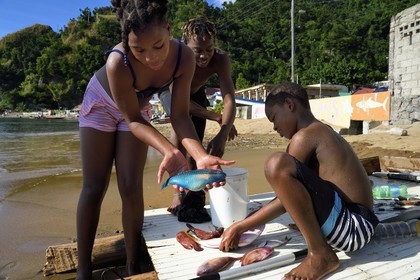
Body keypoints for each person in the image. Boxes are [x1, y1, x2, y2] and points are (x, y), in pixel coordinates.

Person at [76, 1, 234, 279]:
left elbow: (181, 116)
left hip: (139, 109)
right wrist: (167, 150)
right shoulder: (117, 62)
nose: (151, 57)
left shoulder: (184, 56)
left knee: (130, 185)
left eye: (159, 46)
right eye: (139, 50)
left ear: (169, 30)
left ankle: (133, 263)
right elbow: (133, 120)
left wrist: (199, 155)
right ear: (126, 44)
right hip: (101, 105)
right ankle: (84, 270)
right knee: (94, 186)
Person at [219, 82, 379, 279]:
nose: (275, 127)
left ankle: (320, 254)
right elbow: (301, 190)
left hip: (353, 228)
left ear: (289, 104)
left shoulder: (304, 137)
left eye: (274, 118)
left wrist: (240, 226)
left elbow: (282, 200)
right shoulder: (322, 130)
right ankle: (319, 241)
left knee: (276, 163)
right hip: (360, 224)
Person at [162, 18, 238, 214]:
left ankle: (195, 191)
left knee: (198, 145)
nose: (204, 55)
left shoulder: (220, 60)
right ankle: (177, 194)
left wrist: (223, 132)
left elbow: (229, 99)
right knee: (180, 134)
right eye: (198, 50)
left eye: (209, 49)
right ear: (185, 45)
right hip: (170, 91)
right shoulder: (175, 58)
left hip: (196, 93)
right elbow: (181, 106)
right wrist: (216, 116)